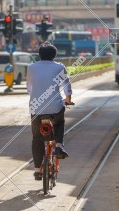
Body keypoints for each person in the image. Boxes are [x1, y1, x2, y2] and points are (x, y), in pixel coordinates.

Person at [27, 42, 72, 181]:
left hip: (36, 108)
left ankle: (38, 170)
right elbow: (66, 86)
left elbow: (29, 87)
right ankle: (59, 145)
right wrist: (68, 99)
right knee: (59, 122)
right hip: (55, 107)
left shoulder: (31, 68)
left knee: (37, 138)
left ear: (39, 55)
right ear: (54, 55)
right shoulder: (59, 67)